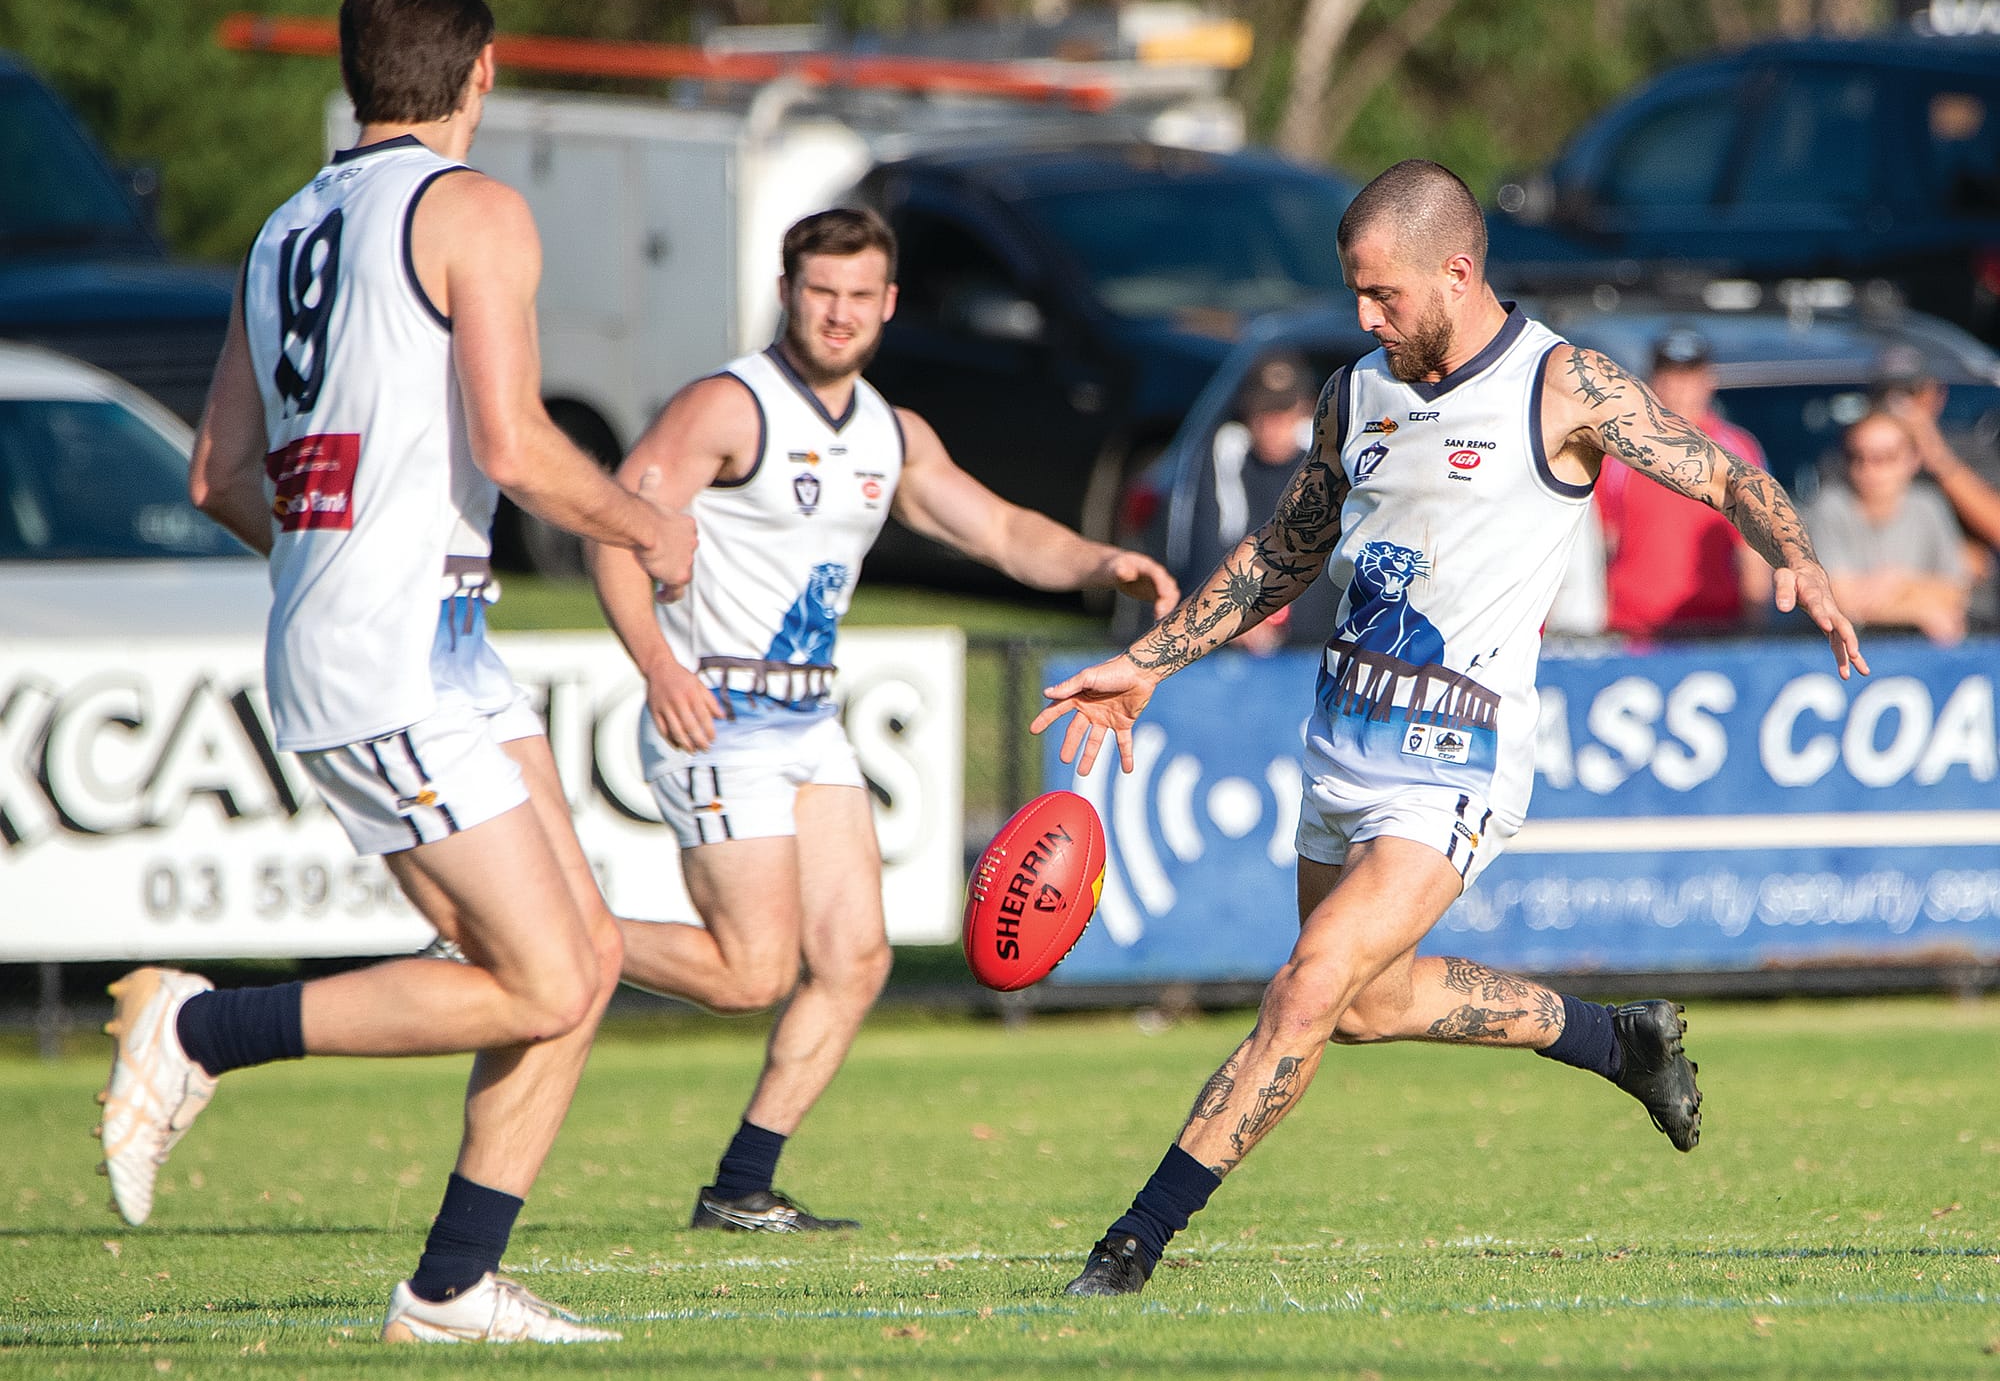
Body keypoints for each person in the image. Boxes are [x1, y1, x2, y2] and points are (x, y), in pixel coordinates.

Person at [1033, 159, 1866, 1297]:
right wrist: (1149, 663)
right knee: (1370, 1005)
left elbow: (1719, 475)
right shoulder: (1355, 392)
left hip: (1455, 765)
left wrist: (1799, 558)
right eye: (1356, 298)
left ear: (1456, 270)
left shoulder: (1558, 386)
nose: (1365, 319)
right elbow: (1282, 553)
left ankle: (1130, 1245)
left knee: (1305, 988)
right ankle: (1612, 1039)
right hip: (1338, 747)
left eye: (1383, 297)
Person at [112, 0, 695, 1344]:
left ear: (358, 73)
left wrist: (329, 565)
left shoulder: (283, 225)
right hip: (391, 649)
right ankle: (199, 1030)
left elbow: (218, 475)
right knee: (545, 973)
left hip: (418, 637)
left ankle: (450, 1288)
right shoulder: (473, 208)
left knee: (582, 966)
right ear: (478, 73)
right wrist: (642, 524)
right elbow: (515, 441)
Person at [589, 207, 1178, 1233]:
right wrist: (655, 667)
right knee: (749, 972)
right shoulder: (727, 408)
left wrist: (1097, 563)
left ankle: (739, 1187)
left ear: (889, 305)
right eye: (822, 292)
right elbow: (611, 525)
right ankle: (533, 934)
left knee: (855, 960)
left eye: (861, 296)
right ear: (788, 292)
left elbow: (993, 527)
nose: (840, 313)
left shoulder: (888, 432)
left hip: (808, 719)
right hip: (712, 707)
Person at [1596, 328, 1771, 639]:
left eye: (1689, 376)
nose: (1679, 388)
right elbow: (1601, 543)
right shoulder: (1619, 452)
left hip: (1715, 632)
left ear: (1708, 381)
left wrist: (1753, 633)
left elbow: (1754, 550)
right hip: (1632, 632)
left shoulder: (1735, 451)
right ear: (1652, 382)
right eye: (1670, 376)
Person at [1183, 356, 1337, 653]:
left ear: (1304, 410)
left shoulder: (1326, 456)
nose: (1272, 426)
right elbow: (1208, 545)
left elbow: (1328, 554)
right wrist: (1235, 618)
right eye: (1262, 414)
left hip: (1314, 640)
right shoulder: (1225, 451)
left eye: (1283, 413)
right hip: (1234, 633)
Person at [1804, 411, 1970, 644]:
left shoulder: (1928, 506)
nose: (1869, 468)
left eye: (1885, 457)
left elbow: (1955, 593)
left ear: (1913, 459)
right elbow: (1839, 603)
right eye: (1857, 456)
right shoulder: (1829, 508)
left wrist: (1899, 583)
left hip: (1919, 652)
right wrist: (1922, 610)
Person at [1872, 349, 2000, 631]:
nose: (1899, 403)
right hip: (1879, 620)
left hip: (1973, 621)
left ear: (1936, 395)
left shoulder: (1972, 452)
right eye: (1888, 392)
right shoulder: (1856, 458)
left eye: (1911, 390)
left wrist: (1937, 458)